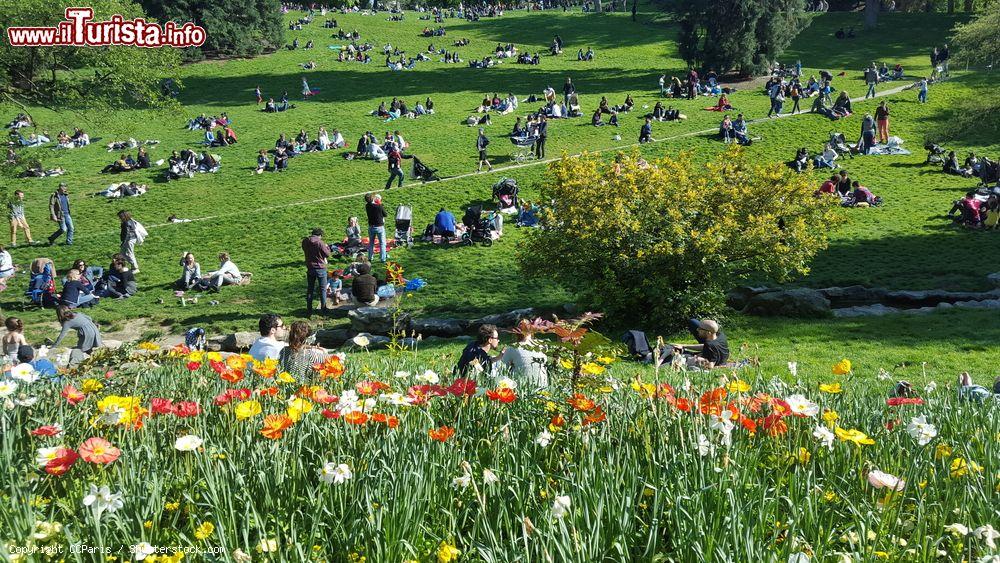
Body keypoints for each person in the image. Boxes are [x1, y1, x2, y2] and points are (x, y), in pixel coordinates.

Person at [499, 320, 548, 388]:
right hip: (542, 386)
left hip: (522, 388)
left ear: (516, 332)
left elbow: (502, 368)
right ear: (532, 330)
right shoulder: (542, 345)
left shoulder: (513, 347)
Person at [302, 227, 331, 317]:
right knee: (322, 290)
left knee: (310, 290)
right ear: (320, 235)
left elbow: (304, 249)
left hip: (310, 268)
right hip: (320, 269)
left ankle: (309, 309)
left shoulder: (305, 241)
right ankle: (323, 309)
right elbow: (327, 254)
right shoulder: (320, 243)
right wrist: (327, 247)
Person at [365, 193, 388, 262]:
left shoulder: (367, 206)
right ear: (372, 199)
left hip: (371, 227)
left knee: (371, 243)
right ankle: (383, 259)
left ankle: (370, 258)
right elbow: (385, 214)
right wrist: (380, 204)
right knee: (382, 243)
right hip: (379, 227)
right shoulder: (378, 206)